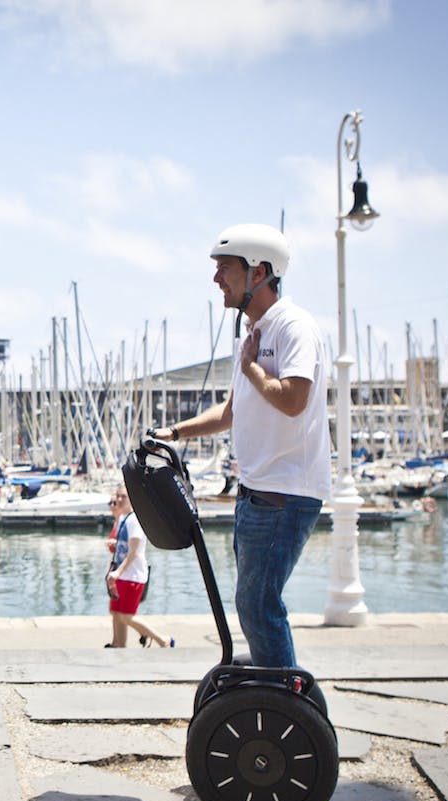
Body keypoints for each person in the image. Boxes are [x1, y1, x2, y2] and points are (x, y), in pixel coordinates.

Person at [153, 224, 329, 668]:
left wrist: (250, 367)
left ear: (260, 273)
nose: (216, 280)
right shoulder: (252, 333)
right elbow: (231, 411)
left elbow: (293, 399)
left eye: (225, 269)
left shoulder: (293, 326)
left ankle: (285, 704)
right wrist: (174, 433)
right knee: (251, 605)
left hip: (284, 494)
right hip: (256, 494)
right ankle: (274, 693)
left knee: (258, 606)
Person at [105, 486, 171, 649]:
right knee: (115, 613)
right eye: (117, 497)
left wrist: (118, 572)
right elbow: (122, 545)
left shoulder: (136, 521)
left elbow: (134, 552)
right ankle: (118, 644)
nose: (119, 500)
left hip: (132, 575)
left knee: (127, 616)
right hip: (121, 575)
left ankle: (162, 639)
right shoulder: (123, 519)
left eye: (123, 497)